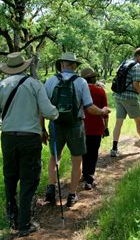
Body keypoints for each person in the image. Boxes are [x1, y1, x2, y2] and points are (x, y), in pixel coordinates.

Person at [0, 52, 59, 237]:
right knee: (29, 179)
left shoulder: (1, 85)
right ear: (25, 67)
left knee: (10, 176)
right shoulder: (35, 85)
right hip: (30, 138)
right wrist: (56, 113)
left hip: (8, 138)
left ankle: (12, 215)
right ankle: (24, 223)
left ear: (8, 69)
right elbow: (48, 111)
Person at [43, 52, 110, 207]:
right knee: (76, 159)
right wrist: (102, 112)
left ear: (61, 65)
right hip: (75, 125)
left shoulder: (51, 81)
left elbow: (43, 107)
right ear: (74, 66)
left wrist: (41, 129)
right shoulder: (81, 82)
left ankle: (51, 189)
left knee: (54, 157)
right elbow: (89, 107)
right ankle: (72, 195)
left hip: (55, 124)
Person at [110, 47, 140, 157]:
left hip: (118, 96)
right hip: (130, 97)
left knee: (118, 123)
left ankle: (114, 149)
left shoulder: (124, 62)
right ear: (138, 56)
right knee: (138, 121)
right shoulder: (136, 66)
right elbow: (135, 85)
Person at [80, 67, 109, 190]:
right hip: (97, 127)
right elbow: (105, 112)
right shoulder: (100, 91)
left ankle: (84, 174)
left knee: (83, 152)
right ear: (94, 78)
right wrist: (106, 127)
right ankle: (89, 178)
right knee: (93, 153)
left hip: (81, 126)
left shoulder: (79, 90)